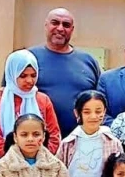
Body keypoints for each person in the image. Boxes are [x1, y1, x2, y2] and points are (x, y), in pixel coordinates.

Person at [29, 8, 101, 137]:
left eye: (66, 25)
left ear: (72, 30)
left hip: (81, 140)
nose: (60, 28)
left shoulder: (88, 61)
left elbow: (98, 99)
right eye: (55, 23)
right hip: (37, 141)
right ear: (46, 25)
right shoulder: (28, 58)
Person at [0, 49, 61, 165]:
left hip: (40, 164)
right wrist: (19, 160)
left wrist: (38, 159)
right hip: (6, 165)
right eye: (23, 76)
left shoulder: (43, 100)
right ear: (12, 74)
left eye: (33, 75)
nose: (29, 80)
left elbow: (54, 135)